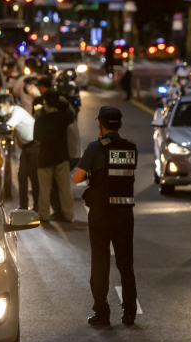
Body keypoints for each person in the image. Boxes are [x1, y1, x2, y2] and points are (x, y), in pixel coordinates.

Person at [73, 106, 138, 327]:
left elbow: (77, 178)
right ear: (118, 124)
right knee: (126, 264)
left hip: (101, 214)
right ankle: (129, 313)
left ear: (100, 125)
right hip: (124, 213)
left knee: (100, 263)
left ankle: (102, 313)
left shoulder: (94, 148)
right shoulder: (130, 148)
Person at [33, 91, 75, 223]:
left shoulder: (40, 120)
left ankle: (44, 215)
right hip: (61, 157)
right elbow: (72, 114)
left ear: (45, 103)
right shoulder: (64, 117)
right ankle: (68, 215)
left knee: (44, 189)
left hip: (45, 158)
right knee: (65, 189)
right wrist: (65, 101)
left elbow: (36, 139)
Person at [0, 100, 38, 210]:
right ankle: (24, 206)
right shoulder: (12, 114)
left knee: (33, 177)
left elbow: (7, 126)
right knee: (22, 176)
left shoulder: (17, 112)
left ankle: (37, 206)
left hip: (34, 146)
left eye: (0, 106)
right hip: (26, 147)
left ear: (7, 105)